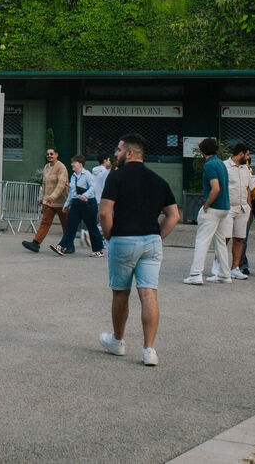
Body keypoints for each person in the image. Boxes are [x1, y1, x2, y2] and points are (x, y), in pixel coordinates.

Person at [98, 133, 179, 367]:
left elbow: (104, 212)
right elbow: (173, 215)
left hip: (123, 238)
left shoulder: (116, 177)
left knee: (120, 293)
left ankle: (118, 341)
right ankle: (149, 350)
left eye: (119, 150)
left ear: (130, 153)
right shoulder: (158, 180)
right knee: (149, 293)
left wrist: (109, 235)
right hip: (151, 241)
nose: (116, 154)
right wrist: (157, 235)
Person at [184, 137, 231, 285]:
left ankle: (196, 274)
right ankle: (224, 274)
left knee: (202, 241)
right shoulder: (221, 164)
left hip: (213, 207)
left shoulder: (209, 165)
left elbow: (215, 188)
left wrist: (206, 205)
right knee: (220, 242)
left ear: (202, 151)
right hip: (224, 207)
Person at [51, 154, 104, 257]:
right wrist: (67, 204)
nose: (72, 164)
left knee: (92, 227)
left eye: (74, 163)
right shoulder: (73, 176)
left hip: (88, 203)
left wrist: (85, 195)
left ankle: (98, 250)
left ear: (80, 164)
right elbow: (72, 192)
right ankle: (62, 247)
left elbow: (93, 187)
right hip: (76, 203)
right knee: (71, 225)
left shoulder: (87, 174)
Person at [22, 147, 68, 253]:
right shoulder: (46, 167)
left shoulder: (61, 167)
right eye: (47, 154)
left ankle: (68, 245)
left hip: (61, 202)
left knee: (65, 224)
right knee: (45, 222)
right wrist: (42, 198)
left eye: (51, 154)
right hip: (48, 202)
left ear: (56, 155)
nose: (49, 156)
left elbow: (61, 184)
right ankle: (35, 243)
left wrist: (53, 196)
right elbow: (44, 184)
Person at [223, 142, 255, 279]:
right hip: (229, 207)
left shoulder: (245, 169)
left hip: (243, 208)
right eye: (247, 155)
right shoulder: (224, 166)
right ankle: (219, 265)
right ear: (241, 154)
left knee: (240, 238)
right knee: (225, 238)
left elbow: (248, 188)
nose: (248, 158)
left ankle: (235, 268)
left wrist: (249, 207)